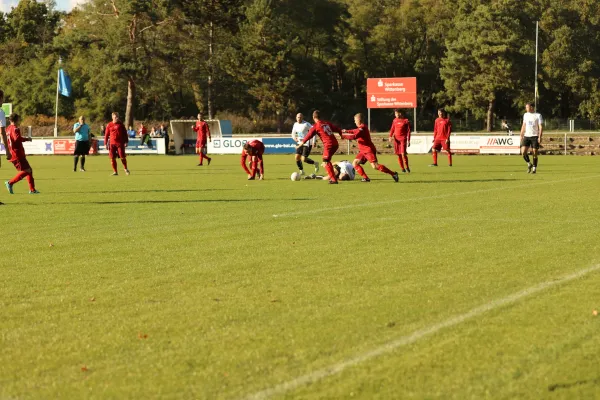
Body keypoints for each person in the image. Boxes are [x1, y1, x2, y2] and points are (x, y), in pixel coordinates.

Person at [341, 113, 399, 183]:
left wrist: (343, 136)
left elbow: (354, 136)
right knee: (355, 163)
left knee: (375, 166)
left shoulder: (362, 128)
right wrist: (346, 131)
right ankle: (366, 178)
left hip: (368, 150)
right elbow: (354, 131)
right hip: (363, 151)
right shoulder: (360, 128)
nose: (354, 121)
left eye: (355, 120)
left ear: (359, 120)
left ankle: (393, 174)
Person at [296, 110, 343, 184]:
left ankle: (333, 179)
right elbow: (337, 129)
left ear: (313, 117)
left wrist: (301, 143)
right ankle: (332, 177)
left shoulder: (316, 126)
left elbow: (308, 135)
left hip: (329, 145)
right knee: (327, 160)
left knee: (325, 161)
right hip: (335, 144)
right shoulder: (327, 123)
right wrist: (341, 135)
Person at [4, 114, 39, 194]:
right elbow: (17, 139)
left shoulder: (8, 128)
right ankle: (10, 183)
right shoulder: (15, 129)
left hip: (14, 152)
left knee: (29, 170)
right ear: (17, 120)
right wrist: (27, 139)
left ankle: (32, 190)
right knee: (27, 170)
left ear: (10, 120)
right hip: (17, 153)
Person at [520, 103, 543, 174]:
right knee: (523, 152)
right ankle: (529, 164)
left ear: (532, 107)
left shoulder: (538, 115)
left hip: (534, 136)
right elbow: (524, 125)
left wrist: (540, 136)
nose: (526, 109)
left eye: (527, 107)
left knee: (534, 152)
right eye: (526, 107)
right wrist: (521, 134)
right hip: (527, 136)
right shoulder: (525, 115)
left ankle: (534, 168)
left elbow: (540, 127)